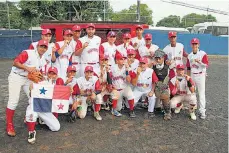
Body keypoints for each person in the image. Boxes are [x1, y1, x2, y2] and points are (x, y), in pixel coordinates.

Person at [6, 40, 48, 137]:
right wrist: (27, 68)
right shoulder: (28, 53)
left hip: (27, 79)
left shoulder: (42, 59)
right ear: (37, 46)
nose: (43, 48)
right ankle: (9, 125)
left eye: (45, 47)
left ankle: (28, 117)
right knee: (14, 101)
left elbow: (38, 72)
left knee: (33, 98)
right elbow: (15, 63)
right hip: (16, 77)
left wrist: (43, 77)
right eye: (41, 46)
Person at [25, 67, 64, 144]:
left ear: (56, 75)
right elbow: (31, 95)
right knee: (31, 112)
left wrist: (69, 90)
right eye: (50, 73)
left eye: (54, 74)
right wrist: (31, 89)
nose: (51, 75)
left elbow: (61, 96)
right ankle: (31, 132)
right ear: (47, 73)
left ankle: (39, 118)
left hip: (45, 108)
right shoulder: (40, 81)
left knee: (56, 127)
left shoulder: (58, 83)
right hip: (36, 105)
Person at [186, 38, 209, 119]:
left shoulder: (203, 54)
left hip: (201, 75)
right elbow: (188, 67)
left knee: (201, 94)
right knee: (192, 93)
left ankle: (202, 111)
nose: (194, 45)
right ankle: (192, 110)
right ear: (191, 45)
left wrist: (200, 62)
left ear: (198, 45)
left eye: (196, 44)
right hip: (192, 75)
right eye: (193, 44)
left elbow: (206, 65)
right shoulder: (189, 55)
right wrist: (188, 77)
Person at [109, 52, 136, 117]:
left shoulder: (128, 68)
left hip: (125, 87)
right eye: (121, 59)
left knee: (131, 95)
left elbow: (129, 81)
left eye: (124, 59)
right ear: (117, 61)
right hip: (116, 89)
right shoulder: (112, 68)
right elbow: (109, 79)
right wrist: (112, 87)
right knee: (118, 108)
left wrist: (127, 70)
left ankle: (131, 110)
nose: (123, 60)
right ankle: (113, 108)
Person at [153, 49, 172, 120]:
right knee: (156, 107)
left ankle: (167, 112)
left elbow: (171, 77)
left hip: (165, 86)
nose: (158, 60)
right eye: (156, 58)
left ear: (163, 58)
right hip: (156, 86)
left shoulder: (168, 66)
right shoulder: (153, 66)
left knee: (165, 96)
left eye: (159, 58)